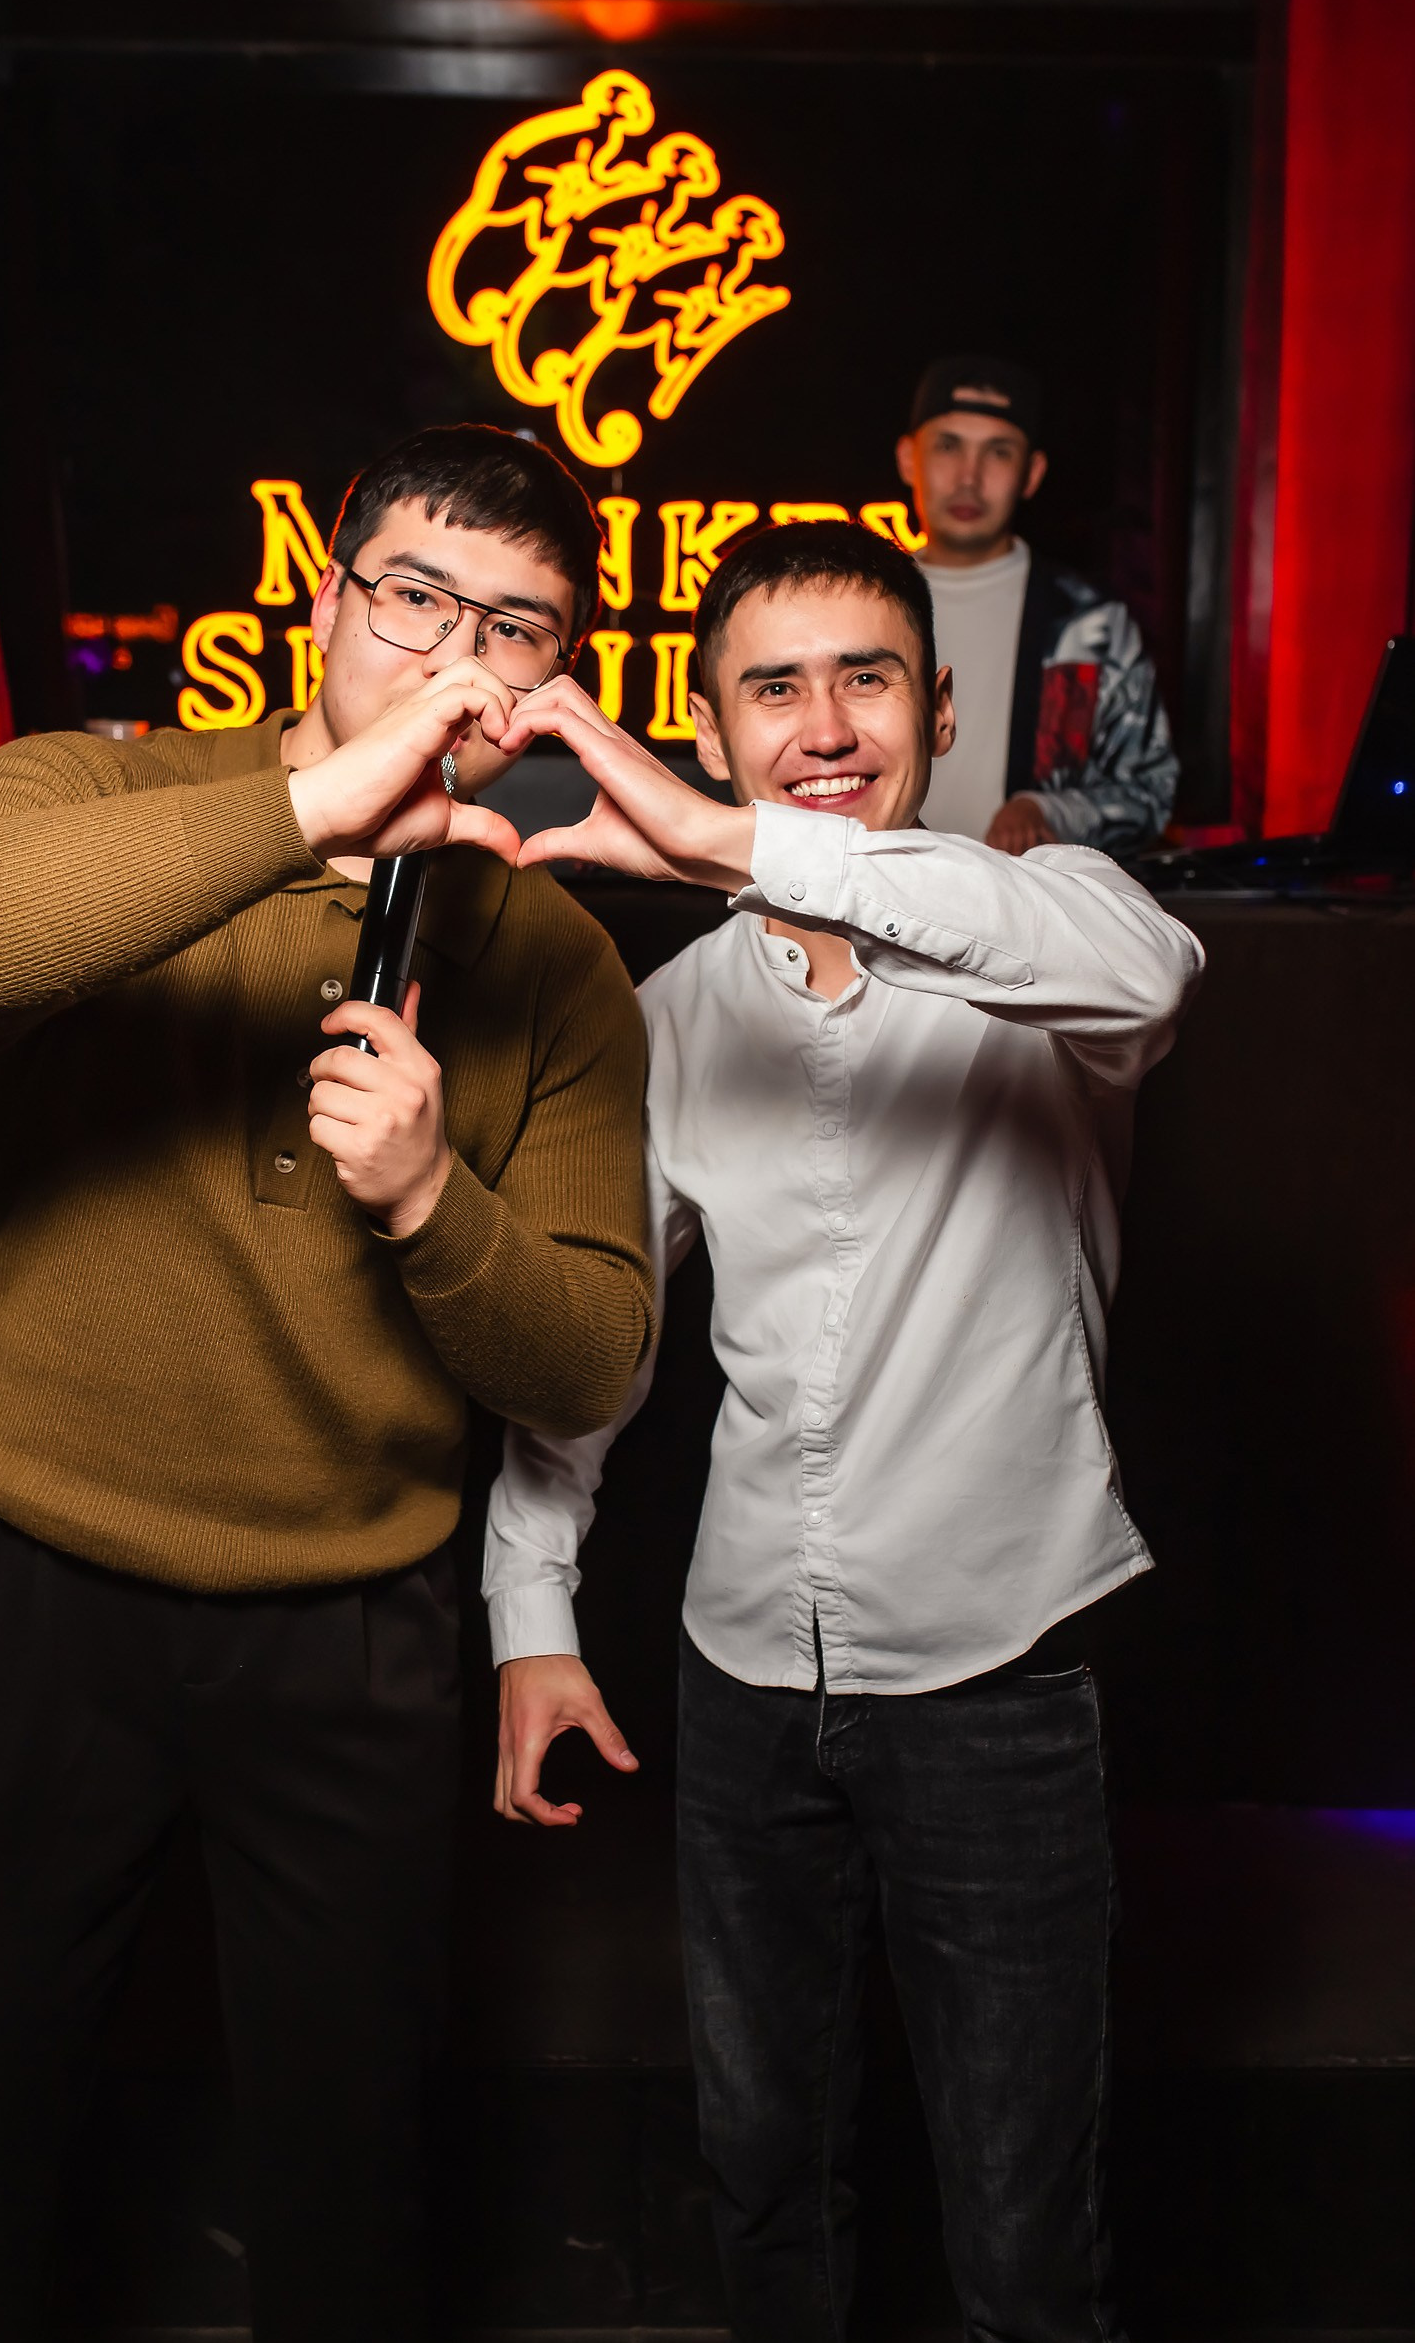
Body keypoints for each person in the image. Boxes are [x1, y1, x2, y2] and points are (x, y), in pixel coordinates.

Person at [0, 424, 655, 2342]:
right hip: (36, 1590)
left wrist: (434, 1202)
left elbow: (589, 1357)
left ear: (558, 677)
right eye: (416, 602)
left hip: (348, 1628)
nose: (455, 663)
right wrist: (315, 816)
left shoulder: (554, 963)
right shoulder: (98, 789)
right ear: (326, 602)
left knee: (348, 2192)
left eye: (514, 632)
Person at [483, 521, 1202, 2343]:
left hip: (995, 1671)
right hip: (739, 1677)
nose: (821, 727)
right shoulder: (669, 1018)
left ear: (937, 710)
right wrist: (532, 1613)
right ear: (709, 723)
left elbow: (1154, 981)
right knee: (765, 2189)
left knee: (1022, 2242)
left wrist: (722, 845)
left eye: (863, 680)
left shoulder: (1056, 935)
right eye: (772, 689)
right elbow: (600, 1342)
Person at [895, 352, 1179, 853]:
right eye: (948, 446)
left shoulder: (1090, 624)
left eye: (999, 452)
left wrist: (1047, 810)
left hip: (1027, 897)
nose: (969, 476)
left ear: (1032, 473)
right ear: (908, 459)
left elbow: (1150, 791)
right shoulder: (863, 610)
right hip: (873, 894)